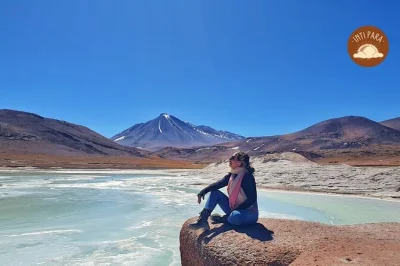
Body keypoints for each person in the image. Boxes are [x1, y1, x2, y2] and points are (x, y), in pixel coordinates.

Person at [190, 151, 259, 229]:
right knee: (215, 193)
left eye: (232, 158)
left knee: (235, 217)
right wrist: (203, 192)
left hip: (248, 212)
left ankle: (224, 219)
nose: (230, 159)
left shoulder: (247, 177)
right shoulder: (231, 175)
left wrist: (236, 209)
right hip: (234, 209)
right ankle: (203, 220)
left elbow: (252, 199)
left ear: (239, 163)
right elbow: (217, 185)